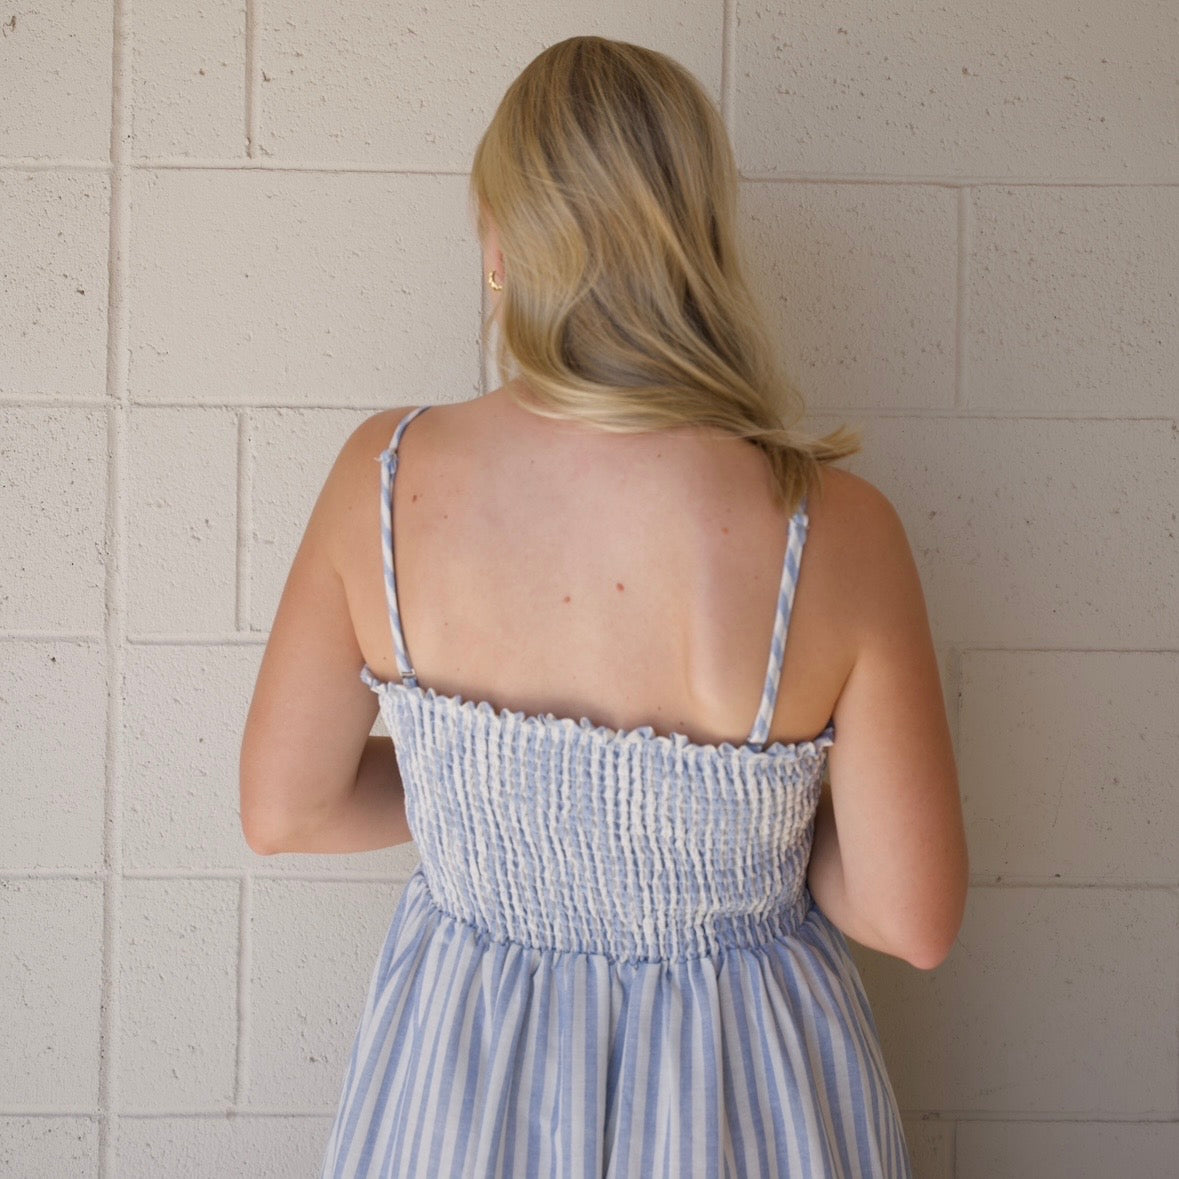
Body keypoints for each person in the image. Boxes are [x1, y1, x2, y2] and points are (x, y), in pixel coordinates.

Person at [240, 34, 968, 1178]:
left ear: (500, 244)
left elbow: (285, 810)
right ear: (705, 243)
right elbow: (911, 918)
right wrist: (745, 844)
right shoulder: (835, 527)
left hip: (461, 1085)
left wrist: (498, 817)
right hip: (749, 1099)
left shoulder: (381, 480)